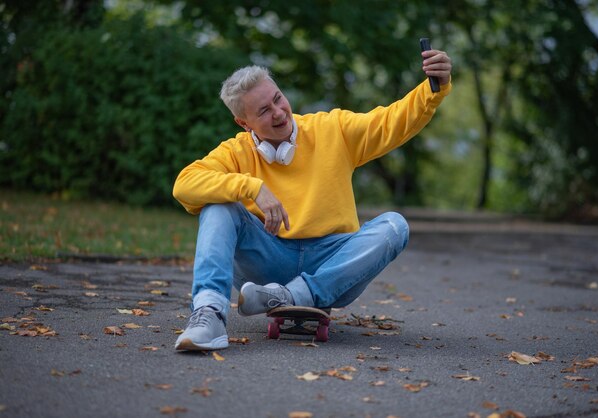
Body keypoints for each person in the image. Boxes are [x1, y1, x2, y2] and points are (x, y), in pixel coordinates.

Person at [172, 48, 452, 351]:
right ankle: (208, 315)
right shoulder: (235, 152)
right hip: (266, 263)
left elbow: (391, 122)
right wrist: (249, 187)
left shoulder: (331, 129)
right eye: (264, 111)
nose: (278, 112)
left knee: (395, 226)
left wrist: (433, 88)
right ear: (244, 123)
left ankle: (292, 297)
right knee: (218, 205)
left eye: (278, 99)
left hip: (332, 264)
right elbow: (184, 185)